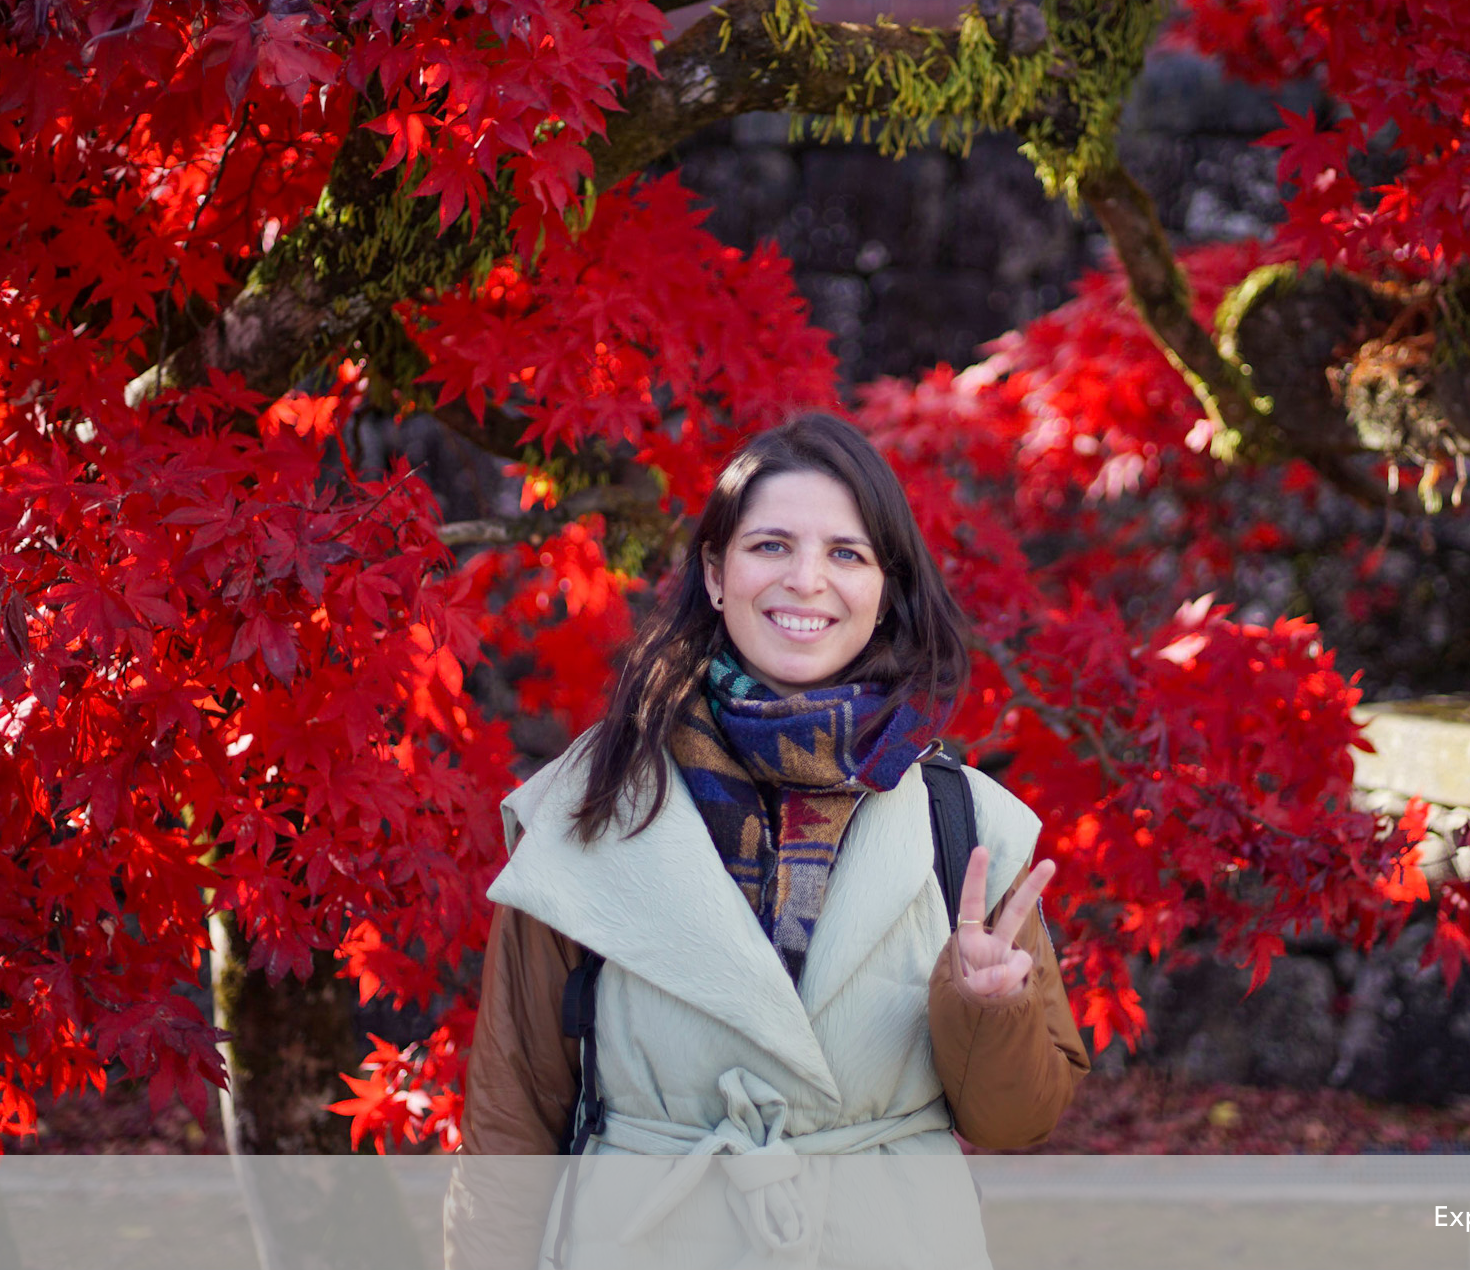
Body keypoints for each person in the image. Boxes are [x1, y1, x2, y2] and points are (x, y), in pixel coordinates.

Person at [450, 413, 1088, 1268]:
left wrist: (985, 1009)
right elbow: (512, 1111)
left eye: (847, 553)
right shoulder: (593, 803)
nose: (806, 580)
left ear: (887, 588)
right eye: (771, 545)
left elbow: (1020, 1117)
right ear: (716, 572)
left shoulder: (961, 823)